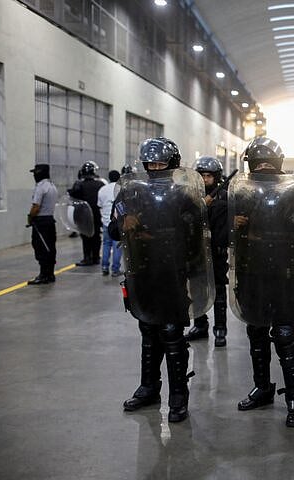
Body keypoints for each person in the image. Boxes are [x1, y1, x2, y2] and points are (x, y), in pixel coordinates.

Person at [111, 137, 214, 423]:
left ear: (172, 164)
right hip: (142, 272)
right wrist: (124, 224)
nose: (154, 168)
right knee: (148, 330)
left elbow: (196, 237)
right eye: (150, 163)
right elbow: (111, 229)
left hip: (173, 273)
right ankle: (149, 388)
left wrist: (152, 236)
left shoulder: (185, 196)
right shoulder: (131, 193)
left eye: (160, 163)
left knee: (171, 333)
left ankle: (178, 397)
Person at [229, 137, 294, 428]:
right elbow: (217, 229)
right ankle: (263, 388)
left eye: (268, 162)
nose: (263, 167)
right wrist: (232, 223)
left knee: (286, 336)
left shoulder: (293, 193)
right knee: (256, 332)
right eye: (257, 162)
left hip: (282, 273)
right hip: (250, 273)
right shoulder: (238, 192)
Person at [185, 156, 230, 347]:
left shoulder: (224, 197)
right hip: (195, 253)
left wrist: (214, 206)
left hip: (216, 254)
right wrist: (199, 206)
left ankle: (220, 329)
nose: (205, 180)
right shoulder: (189, 197)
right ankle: (200, 325)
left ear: (216, 177)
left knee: (219, 293)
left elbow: (224, 231)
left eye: (208, 176)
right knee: (197, 291)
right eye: (201, 175)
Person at [68, 161, 104, 266]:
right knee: (96, 236)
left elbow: (74, 198)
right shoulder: (100, 184)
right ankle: (96, 257)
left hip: (83, 215)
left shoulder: (79, 184)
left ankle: (87, 258)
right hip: (97, 214)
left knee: (85, 236)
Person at [27, 164, 58, 285]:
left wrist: (30, 217)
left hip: (41, 222)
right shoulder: (52, 186)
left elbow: (36, 206)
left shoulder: (40, 187)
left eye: (35, 173)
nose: (34, 175)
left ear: (40, 173)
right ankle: (50, 274)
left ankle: (43, 275)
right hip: (50, 220)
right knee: (50, 248)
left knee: (40, 247)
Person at [97, 170, 122, 276]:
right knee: (117, 245)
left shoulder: (102, 189)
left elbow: (99, 205)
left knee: (106, 244)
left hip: (105, 221)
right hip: (116, 223)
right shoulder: (120, 189)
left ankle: (104, 267)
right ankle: (115, 269)